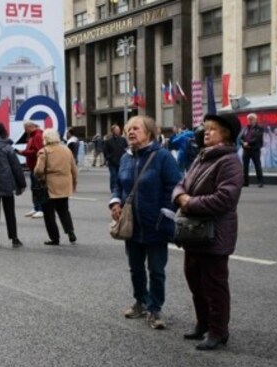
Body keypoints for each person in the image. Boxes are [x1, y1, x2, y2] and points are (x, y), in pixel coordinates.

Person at [172, 112, 244, 350]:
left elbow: (225, 198)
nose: (206, 132)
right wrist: (180, 196)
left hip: (215, 234)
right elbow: (182, 183)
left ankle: (218, 331)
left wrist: (188, 202)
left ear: (226, 134)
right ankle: (202, 324)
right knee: (195, 282)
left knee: (214, 285)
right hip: (194, 232)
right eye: (205, 128)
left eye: (212, 129)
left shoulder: (229, 161)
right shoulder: (202, 157)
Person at [109, 115, 181, 329]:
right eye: (128, 129)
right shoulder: (126, 158)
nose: (130, 132)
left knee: (157, 269)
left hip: (156, 224)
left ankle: (155, 309)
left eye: (136, 129)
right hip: (132, 224)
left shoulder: (163, 157)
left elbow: (174, 186)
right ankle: (140, 301)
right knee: (135, 268)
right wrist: (115, 202)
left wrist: (165, 212)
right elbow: (118, 185)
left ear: (149, 132)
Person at [34, 129, 77, 245]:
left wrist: (38, 175)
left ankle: (55, 238)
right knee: (64, 210)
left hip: (50, 186)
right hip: (64, 184)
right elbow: (74, 169)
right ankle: (70, 232)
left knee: (49, 214)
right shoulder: (67, 150)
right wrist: (74, 183)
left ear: (45, 138)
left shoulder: (44, 152)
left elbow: (39, 170)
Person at [16, 120, 44, 218]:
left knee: (38, 188)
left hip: (37, 167)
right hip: (33, 167)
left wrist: (23, 152)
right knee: (34, 188)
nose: (25, 131)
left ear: (30, 127)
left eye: (25, 128)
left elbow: (37, 151)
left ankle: (41, 208)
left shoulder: (37, 136)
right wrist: (24, 152)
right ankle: (36, 207)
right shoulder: (33, 136)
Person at [240, 113, 265, 187]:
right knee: (245, 167)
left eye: (251, 119)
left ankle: (260, 182)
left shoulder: (259, 128)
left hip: (254, 149)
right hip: (246, 150)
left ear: (255, 120)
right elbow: (241, 138)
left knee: (257, 165)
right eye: (249, 119)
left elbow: (257, 138)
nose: (250, 121)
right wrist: (243, 143)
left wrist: (248, 143)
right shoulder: (245, 128)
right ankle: (245, 182)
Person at [104, 124, 128, 193]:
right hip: (112, 162)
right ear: (113, 131)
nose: (118, 131)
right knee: (113, 175)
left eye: (118, 129)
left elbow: (126, 149)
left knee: (120, 175)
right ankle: (113, 188)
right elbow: (105, 151)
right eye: (116, 130)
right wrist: (108, 158)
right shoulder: (108, 141)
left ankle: (119, 188)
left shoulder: (123, 140)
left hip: (121, 161)